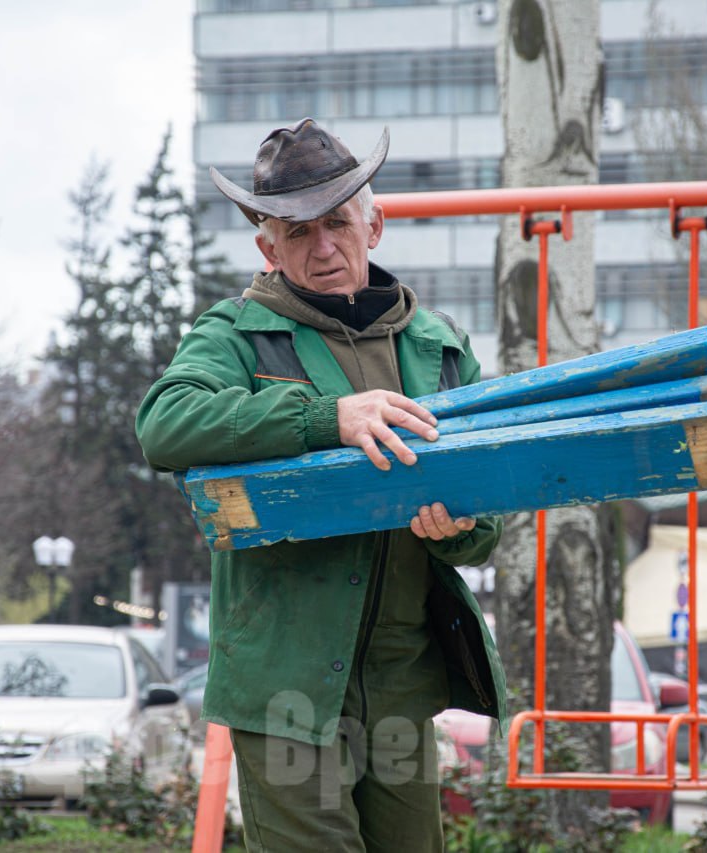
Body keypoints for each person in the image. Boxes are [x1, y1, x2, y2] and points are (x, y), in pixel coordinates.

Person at [136, 118, 506, 852]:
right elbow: (164, 424)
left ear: (375, 224)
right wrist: (322, 418)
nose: (323, 246)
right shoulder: (235, 335)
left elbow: (488, 519)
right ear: (267, 246)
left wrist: (458, 526)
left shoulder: (439, 347)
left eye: (337, 222)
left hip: (402, 689)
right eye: (297, 232)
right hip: (284, 692)